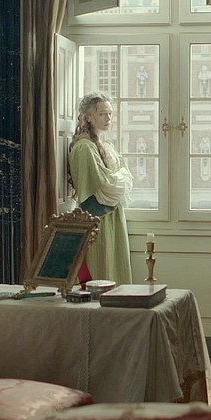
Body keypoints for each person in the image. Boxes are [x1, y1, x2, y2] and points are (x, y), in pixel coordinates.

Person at [69, 91, 134, 285]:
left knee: (115, 269)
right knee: (101, 270)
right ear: (89, 117)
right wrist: (121, 177)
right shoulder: (85, 148)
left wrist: (120, 178)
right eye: (102, 114)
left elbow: (125, 177)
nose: (108, 118)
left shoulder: (106, 146)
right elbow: (107, 186)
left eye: (110, 113)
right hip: (98, 220)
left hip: (113, 216)